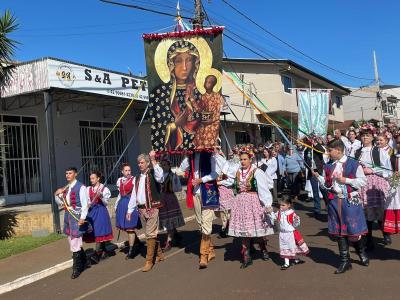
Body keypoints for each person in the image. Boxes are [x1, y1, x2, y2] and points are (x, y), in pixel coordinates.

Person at [313, 139, 369, 274]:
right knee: (340, 232)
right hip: (334, 202)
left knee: (354, 230)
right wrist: (319, 178)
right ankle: (345, 261)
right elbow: (327, 185)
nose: (328, 153)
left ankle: (361, 252)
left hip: (350, 201)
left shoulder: (354, 164)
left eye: (330, 151)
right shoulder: (328, 166)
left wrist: (347, 180)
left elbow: (363, 182)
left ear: (338, 150)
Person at [222, 146, 274, 269]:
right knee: (244, 231)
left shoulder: (257, 172)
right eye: (241, 159)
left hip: (253, 202)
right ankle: (247, 256)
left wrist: (267, 204)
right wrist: (217, 182)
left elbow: (263, 189)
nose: (243, 161)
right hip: (240, 203)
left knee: (256, 228)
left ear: (250, 159)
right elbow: (228, 180)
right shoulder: (237, 171)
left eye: (245, 159)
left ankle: (263, 248)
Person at [149, 40, 203, 152]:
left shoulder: (199, 92)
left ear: (195, 63)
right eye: (178, 61)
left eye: (189, 60)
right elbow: (157, 128)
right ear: (171, 64)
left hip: (198, 151)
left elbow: (207, 122)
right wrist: (175, 125)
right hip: (173, 157)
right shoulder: (159, 93)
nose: (184, 67)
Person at [178, 151, 219, 269]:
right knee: (201, 224)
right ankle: (210, 250)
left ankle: (203, 255)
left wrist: (201, 180)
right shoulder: (190, 156)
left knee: (206, 224)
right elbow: (181, 169)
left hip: (208, 192)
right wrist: (186, 157)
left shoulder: (210, 154)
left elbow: (215, 173)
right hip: (195, 193)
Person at [355, 126, 392, 249]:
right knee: (366, 211)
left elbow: (386, 167)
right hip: (363, 184)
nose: (365, 137)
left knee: (380, 209)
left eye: (368, 135)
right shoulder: (357, 152)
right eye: (363, 135)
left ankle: (385, 233)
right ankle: (369, 239)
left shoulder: (378, 151)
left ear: (372, 137)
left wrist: (371, 170)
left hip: (376, 183)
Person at [127, 152, 165, 272]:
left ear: (147, 163)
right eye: (138, 163)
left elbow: (161, 177)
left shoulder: (154, 173)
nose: (140, 165)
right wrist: (130, 209)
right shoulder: (137, 177)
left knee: (150, 234)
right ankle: (159, 254)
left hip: (153, 208)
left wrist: (154, 160)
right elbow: (134, 194)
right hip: (141, 209)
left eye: (142, 162)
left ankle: (149, 261)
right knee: (151, 233)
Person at [54, 167, 89, 279]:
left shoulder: (81, 187)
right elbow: (61, 203)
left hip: (77, 217)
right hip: (68, 217)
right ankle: (83, 260)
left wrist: (82, 218)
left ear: (75, 174)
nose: (67, 175)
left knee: (75, 240)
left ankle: (77, 267)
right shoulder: (66, 188)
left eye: (70, 173)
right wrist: (56, 194)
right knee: (71, 239)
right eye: (66, 173)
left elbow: (85, 204)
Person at [268, 196, 309, 270]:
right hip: (282, 234)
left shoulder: (292, 214)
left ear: (289, 205)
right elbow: (274, 217)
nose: (281, 206)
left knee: (291, 247)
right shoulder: (279, 213)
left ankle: (296, 259)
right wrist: (270, 212)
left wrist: (296, 220)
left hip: (290, 233)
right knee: (284, 248)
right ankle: (286, 263)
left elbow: (296, 225)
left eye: (283, 205)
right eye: (280, 205)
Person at [85, 171, 115, 263]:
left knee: (99, 232)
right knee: (95, 231)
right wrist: (88, 204)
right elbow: (87, 201)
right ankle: (104, 251)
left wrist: (101, 196)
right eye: (90, 178)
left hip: (101, 211)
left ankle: (97, 253)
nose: (91, 180)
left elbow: (106, 202)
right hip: (92, 212)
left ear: (98, 178)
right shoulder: (88, 189)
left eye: (93, 178)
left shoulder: (104, 189)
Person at [115, 163, 141, 259]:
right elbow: (119, 194)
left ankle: (131, 250)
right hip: (122, 204)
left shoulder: (134, 179)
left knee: (130, 228)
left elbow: (136, 193)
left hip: (131, 204)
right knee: (126, 227)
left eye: (129, 170)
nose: (128, 172)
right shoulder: (120, 181)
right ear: (122, 172)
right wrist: (116, 206)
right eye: (126, 170)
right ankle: (137, 242)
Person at [158, 157, 185, 251]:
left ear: (169, 166)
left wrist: (171, 187)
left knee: (169, 220)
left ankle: (169, 242)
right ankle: (176, 235)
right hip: (162, 199)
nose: (163, 166)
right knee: (167, 220)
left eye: (165, 165)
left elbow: (178, 189)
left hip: (170, 198)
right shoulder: (159, 175)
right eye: (162, 165)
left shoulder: (173, 176)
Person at [192, 74, 223, 150]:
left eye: (209, 82)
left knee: (208, 149)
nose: (206, 84)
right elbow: (198, 109)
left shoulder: (217, 96)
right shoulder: (202, 96)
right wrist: (192, 100)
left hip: (211, 125)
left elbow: (215, 113)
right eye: (206, 81)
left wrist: (206, 118)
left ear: (213, 84)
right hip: (202, 124)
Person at [215, 149, 235, 238]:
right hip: (217, 190)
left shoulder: (226, 164)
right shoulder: (214, 163)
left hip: (225, 189)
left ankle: (225, 228)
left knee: (226, 210)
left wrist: (219, 182)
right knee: (219, 211)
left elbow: (230, 180)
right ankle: (227, 225)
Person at [383, 134, 400, 238]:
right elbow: (385, 172)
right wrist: (392, 175)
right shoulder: (392, 158)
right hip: (396, 188)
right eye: (398, 142)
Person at [304, 137, 326, 218]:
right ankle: (317, 210)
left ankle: (328, 206)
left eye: (310, 139)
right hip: (312, 173)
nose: (308, 141)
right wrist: (310, 169)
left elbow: (322, 151)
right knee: (315, 191)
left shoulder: (318, 147)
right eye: (308, 140)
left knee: (323, 190)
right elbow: (305, 162)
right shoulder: (306, 150)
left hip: (320, 172)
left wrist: (315, 143)